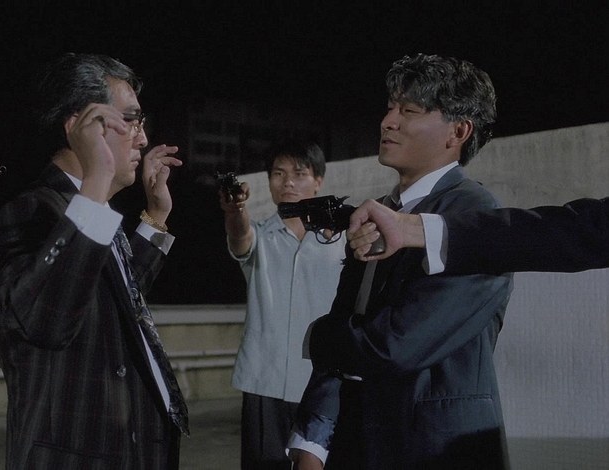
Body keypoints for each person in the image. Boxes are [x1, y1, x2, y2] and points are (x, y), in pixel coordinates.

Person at [289, 53, 514, 469]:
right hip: (361, 439)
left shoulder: (474, 216)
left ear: (459, 131)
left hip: (434, 448)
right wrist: (312, 440)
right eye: (390, 107)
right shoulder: (380, 210)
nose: (388, 122)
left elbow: (397, 345)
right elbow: (349, 315)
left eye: (409, 111)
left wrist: (318, 336)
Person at [0, 53, 186, 469]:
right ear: (81, 127)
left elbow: (115, 298)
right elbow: (46, 320)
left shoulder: (94, 211)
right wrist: (97, 180)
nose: (143, 140)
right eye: (131, 121)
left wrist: (156, 217)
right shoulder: (29, 212)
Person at [219, 139, 346, 469]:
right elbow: (239, 238)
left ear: (318, 181)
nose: (288, 182)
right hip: (265, 380)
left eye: (299, 173)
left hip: (323, 382)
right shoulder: (260, 235)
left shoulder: (342, 240)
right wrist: (235, 210)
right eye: (278, 173)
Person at [347, 197, 609, 273]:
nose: (388, 123)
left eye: (408, 111)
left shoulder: (472, 199)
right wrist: (409, 228)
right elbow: (566, 231)